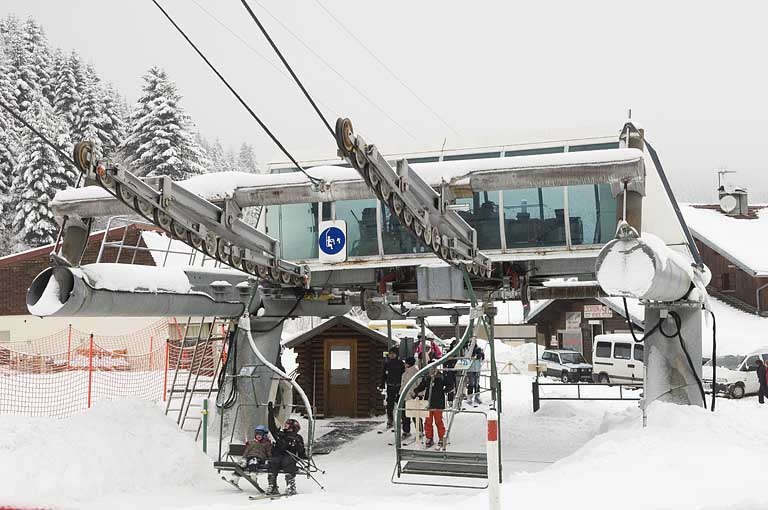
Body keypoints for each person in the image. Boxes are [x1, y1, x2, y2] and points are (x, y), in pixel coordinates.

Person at [266, 402, 306, 496]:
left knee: (287, 462)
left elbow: (300, 449)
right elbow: (272, 428)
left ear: (292, 427)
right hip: (278, 456)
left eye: (287, 425)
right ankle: (273, 485)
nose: (285, 426)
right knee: (273, 461)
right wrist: (270, 413)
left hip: (289, 456)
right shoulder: (280, 434)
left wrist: (303, 455)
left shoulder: (297, 437)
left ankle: (291, 486)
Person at [413, 368, 452, 448]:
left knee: (438, 421)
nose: (432, 370)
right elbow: (422, 386)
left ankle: (442, 437)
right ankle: (429, 437)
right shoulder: (427, 377)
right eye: (430, 369)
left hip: (438, 403)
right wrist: (416, 390)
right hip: (428, 403)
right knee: (428, 421)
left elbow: (450, 385)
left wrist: (445, 391)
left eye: (433, 368)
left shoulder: (441, 377)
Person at [381, 347, 405, 429]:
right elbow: (383, 374)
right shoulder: (387, 363)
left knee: (400, 403)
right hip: (390, 385)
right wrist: (382, 384)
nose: (391, 355)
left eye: (393, 353)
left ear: (396, 354)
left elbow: (404, 374)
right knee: (389, 404)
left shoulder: (400, 363)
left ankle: (402, 419)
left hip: (399, 386)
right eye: (390, 353)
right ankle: (390, 420)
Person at [400, 356, 419, 438]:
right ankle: (406, 430)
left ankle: (419, 430)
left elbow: (419, 384)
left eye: (406, 363)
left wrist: (418, 394)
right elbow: (403, 385)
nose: (404, 364)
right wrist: (400, 394)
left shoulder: (415, 372)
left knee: (414, 414)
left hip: (412, 396)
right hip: (405, 396)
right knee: (404, 414)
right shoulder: (405, 373)